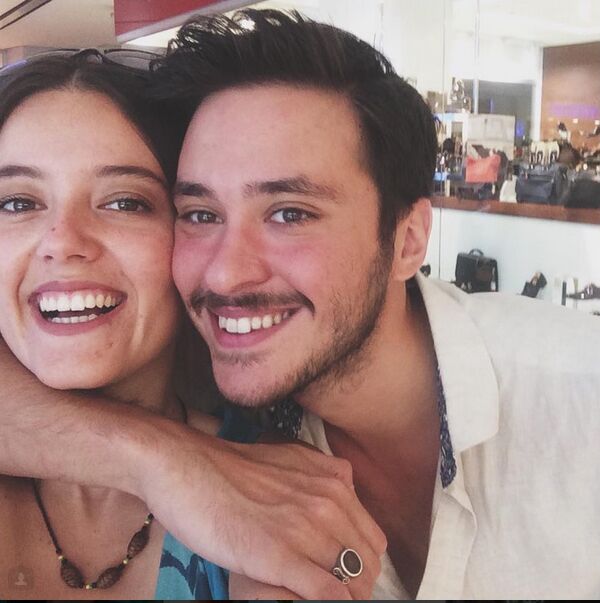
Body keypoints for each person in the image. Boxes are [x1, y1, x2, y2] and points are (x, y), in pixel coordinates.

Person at [2, 8, 600, 600]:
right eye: (201, 214)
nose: (226, 273)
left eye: (290, 213)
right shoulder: (226, 398)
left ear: (408, 240)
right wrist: (166, 461)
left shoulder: (578, 397)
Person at [0, 47, 384, 602]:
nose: (62, 242)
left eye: (125, 203)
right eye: (16, 203)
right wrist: (158, 461)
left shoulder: (271, 497)